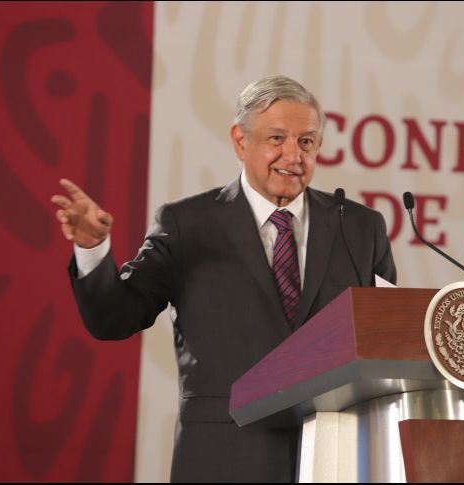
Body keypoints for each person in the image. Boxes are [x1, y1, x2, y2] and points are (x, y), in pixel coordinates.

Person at [51, 75, 396, 482]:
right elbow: (115, 318)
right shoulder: (187, 224)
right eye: (277, 139)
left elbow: (386, 341)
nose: (293, 155)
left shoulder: (359, 227)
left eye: (306, 142)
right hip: (223, 458)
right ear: (240, 141)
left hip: (335, 459)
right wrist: (93, 248)